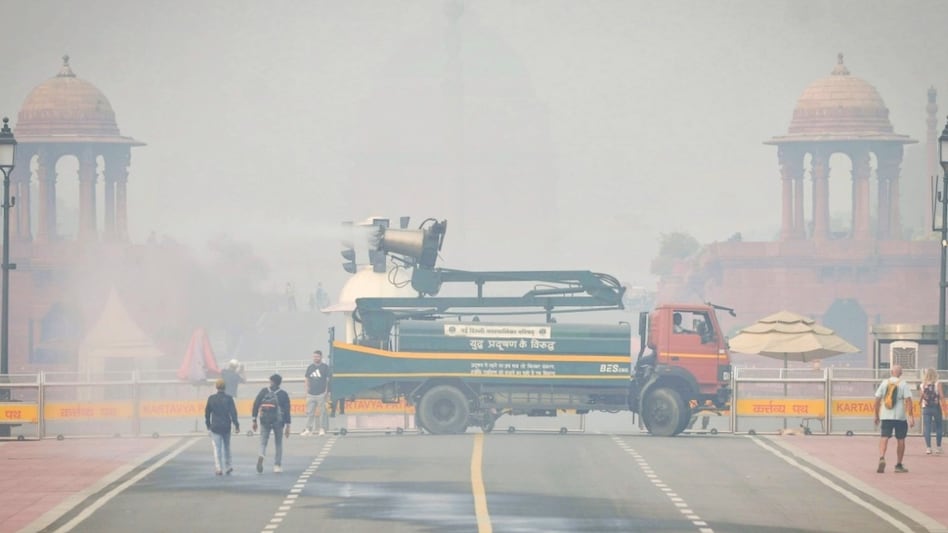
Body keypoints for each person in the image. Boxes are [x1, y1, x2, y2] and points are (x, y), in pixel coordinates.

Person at [873, 364, 915, 473]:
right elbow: (908, 401)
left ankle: (882, 457)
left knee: (884, 437)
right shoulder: (903, 384)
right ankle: (898, 465)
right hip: (900, 416)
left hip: (886, 415)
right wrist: (911, 416)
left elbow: (877, 400)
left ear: (891, 372)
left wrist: (876, 415)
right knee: (901, 439)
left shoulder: (884, 383)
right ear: (901, 373)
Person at [252, 373, 292, 473]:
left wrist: (254, 420)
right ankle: (277, 465)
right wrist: (288, 425)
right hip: (278, 421)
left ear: (271, 382)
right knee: (278, 443)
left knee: (263, 442)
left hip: (265, 420)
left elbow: (256, 404)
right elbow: (287, 410)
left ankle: (261, 455)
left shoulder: (264, 391)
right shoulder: (283, 394)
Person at [204, 378, 240, 476]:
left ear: (216, 387)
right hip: (226, 426)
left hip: (215, 426)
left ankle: (218, 468)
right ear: (225, 387)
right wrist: (236, 425)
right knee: (227, 447)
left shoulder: (211, 398)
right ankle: (228, 466)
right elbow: (233, 413)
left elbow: (207, 413)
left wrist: (208, 425)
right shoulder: (229, 398)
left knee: (217, 448)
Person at [301, 350, 332, 436]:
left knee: (323, 412)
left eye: (317, 357)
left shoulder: (325, 367)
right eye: (314, 356)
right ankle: (308, 429)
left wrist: (326, 391)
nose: (315, 358)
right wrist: (306, 390)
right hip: (311, 394)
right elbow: (306, 379)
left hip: (321, 393)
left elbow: (328, 380)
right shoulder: (310, 367)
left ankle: (322, 429)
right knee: (309, 412)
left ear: (321, 357)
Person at [918, 367, 943, 455]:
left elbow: (921, 397)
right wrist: (943, 404)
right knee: (939, 426)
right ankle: (938, 447)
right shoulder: (937, 383)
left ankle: (928, 448)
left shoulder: (922, 385)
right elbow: (941, 396)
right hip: (936, 407)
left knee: (927, 427)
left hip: (926, 407)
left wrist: (920, 403)